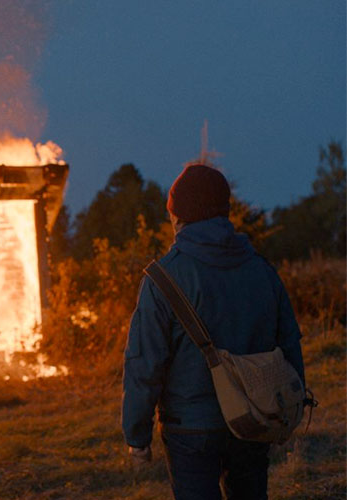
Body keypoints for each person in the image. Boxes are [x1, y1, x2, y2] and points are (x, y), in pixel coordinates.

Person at [121, 163, 305, 500]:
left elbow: (143, 365)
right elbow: (290, 345)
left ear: (177, 216)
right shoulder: (263, 271)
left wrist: (137, 436)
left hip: (190, 427)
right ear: (225, 213)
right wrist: (291, 410)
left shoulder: (162, 280)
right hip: (255, 418)